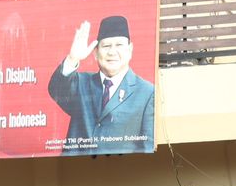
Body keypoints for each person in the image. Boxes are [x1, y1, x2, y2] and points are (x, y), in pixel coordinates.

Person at [47, 15, 156, 154]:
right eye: (106, 46)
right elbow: (56, 89)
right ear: (96, 53)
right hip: (75, 167)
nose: (112, 52)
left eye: (119, 45)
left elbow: (147, 148)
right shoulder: (81, 83)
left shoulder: (147, 93)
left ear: (130, 50)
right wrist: (72, 59)